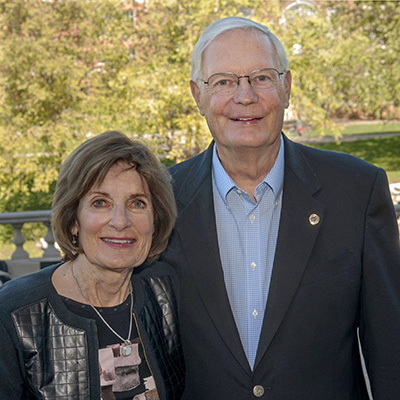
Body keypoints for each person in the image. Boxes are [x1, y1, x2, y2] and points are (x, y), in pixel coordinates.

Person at [161, 16, 400, 399]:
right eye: (223, 81)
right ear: (197, 95)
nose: (245, 97)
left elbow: (391, 349)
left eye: (261, 77)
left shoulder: (356, 191)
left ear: (286, 88)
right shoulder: (161, 200)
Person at [0, 131, 185, 400]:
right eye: (100, 203)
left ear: (155, 220)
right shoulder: (13, 314)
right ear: (73, 220)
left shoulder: (166, 291)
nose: (120, 221)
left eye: (137, 203)